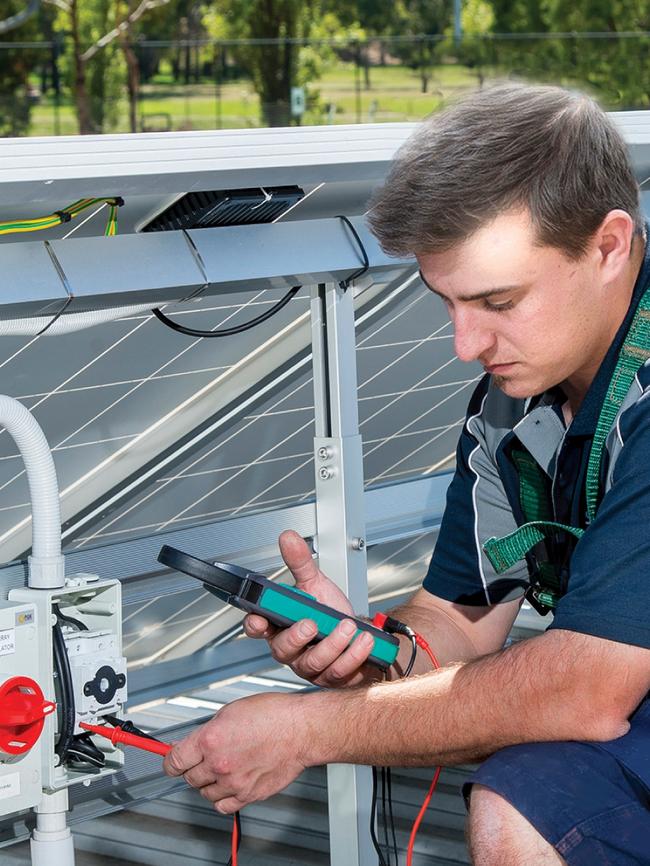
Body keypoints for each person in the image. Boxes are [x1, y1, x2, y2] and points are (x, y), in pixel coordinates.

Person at [163, 83, 650, 865]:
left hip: (618, 697)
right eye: (447, 303)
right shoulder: (507, 411)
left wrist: (305, 732)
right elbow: (456, 623)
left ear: (608, 245)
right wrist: (370, 650)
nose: (466, 343)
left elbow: (585, 689)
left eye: (498, 299)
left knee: (525, 794)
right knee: (530, 795)